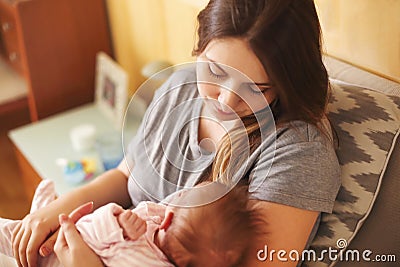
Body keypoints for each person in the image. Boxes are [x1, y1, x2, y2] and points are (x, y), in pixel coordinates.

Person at [12, 0, 341, 266]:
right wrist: (55, 216)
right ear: (199, 46)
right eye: (214, 71)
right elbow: (125, 176)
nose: (225, 99)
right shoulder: (179, 89)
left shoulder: (298, 151)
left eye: (256, 88)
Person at [3, 181, 259, 267]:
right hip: (68, 239)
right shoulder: (154, 231)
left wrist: (117, 222)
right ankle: (41, 209)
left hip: (67, 252)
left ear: (168, 217)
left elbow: (100, 230)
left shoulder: (148, 222)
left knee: (9, 238)